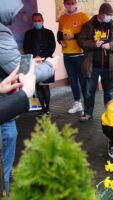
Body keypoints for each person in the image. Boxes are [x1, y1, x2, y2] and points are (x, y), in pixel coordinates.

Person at [0, 0, 56, 194]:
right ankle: (4, 184)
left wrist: (30, 60)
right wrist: (48, 66)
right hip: (4, 108)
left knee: (11, 135)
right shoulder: (1, 32)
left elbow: (14, 60)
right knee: (7, 137)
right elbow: (20, 73)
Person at [78, 2, 113, 122]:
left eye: (111, 15)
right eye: (108, 15)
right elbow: (81, 42)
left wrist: (111, 45)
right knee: (89, 91)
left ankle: (110, 114)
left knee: (109, 93)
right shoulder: (88, 25)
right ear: (101, 14)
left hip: (109, 66)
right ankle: (88, 113)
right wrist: (93, 44)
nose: (110, 17)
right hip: (92, 65)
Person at [57, 0, 89, 114]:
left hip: (79, 54)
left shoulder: (83, 16)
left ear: (76, 3)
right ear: (64, 4)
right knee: (72, 81)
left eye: (72, 3)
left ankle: (87, 106)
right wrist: (61, 41)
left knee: (83, 80)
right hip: (67, 54)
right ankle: (77, 103)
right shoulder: (62, 17)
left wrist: (74, 36)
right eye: (68, 3)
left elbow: (88, 33)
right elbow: (59, 34)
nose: (70, 5)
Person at [23, 12, 56, 116]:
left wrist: (42, 57)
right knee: (38, 87)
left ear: (42, 21)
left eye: (39, 20)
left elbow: (52, 47)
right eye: (35, 21)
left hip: (46, 62)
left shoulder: (49, 33)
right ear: (33, 22)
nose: (37, 22)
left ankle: (48, 108)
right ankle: (43, 108)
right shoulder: (28, 34)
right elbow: (26, 47)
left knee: (45, 87)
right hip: (33, 63)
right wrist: (34, 58)